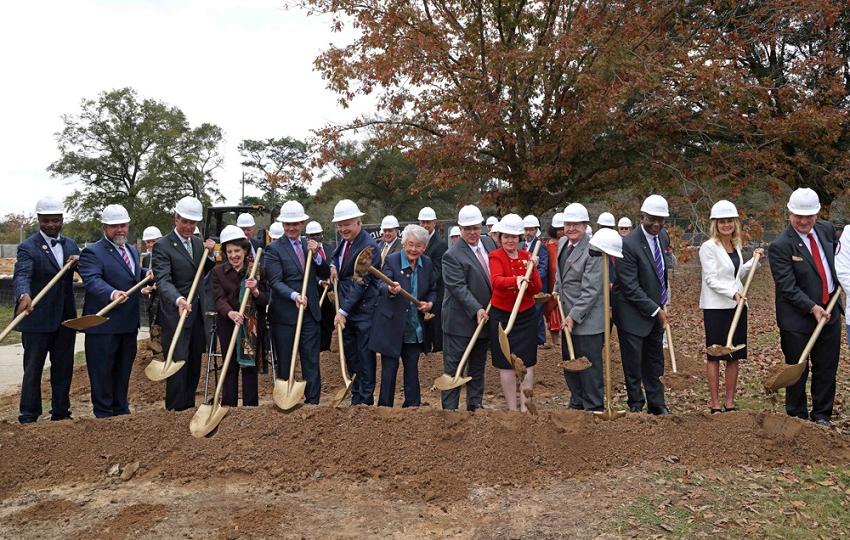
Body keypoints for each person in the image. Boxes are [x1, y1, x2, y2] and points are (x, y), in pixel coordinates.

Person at [770, 188, 840, 426]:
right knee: (798, 370)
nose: (803, 221)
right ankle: (797, 418)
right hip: (797, 318)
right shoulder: (780, 245)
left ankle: (822, 416)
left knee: (826, 368)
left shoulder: (827, 231)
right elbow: (787, 287)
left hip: (829, 311)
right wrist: (812, 307)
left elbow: (840, 261)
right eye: (798, 215)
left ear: (817, 214)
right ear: (789, 213)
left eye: (808, 216)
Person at [13, 196, 80, 423]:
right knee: (33, 370)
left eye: (55, 220)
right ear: (38, 220)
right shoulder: (28, 247)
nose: (51, 225)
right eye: (46, 221)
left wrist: (77, 262)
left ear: (62, 220)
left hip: (65, 319)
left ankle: (61, 412)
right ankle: (29, 414)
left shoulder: (71, 245)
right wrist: (24, 294)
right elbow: (22, 274)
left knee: (63, 368)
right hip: (37, 319)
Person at [78, 204, 146, 418]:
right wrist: (112, 293)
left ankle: (121, 409)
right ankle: (104, 413)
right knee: (102, 373)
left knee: (123, 370)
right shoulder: (92, 252)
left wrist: (147, 275)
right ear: (104, 227)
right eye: (114, 226)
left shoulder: (132, 250)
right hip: (103, 326)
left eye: (123, 225)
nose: (120, 230)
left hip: (128, 324)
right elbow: (92, 280)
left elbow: (132, 274)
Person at [152, 196, 216, 411]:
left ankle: (188, 406)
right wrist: (178, 299)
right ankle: (175, 410)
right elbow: (163, 280)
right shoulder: (162, 245)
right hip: (176, 314)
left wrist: (211, 254)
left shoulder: (198, 243)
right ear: (176, 218)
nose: (189, 226)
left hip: (197, 313)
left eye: (193, 222)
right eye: (185, 221)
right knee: (178, 362)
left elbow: (204, 271)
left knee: (194, 362)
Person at [699, 200, 763, 413]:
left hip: (737, 306)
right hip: (716, 308)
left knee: (734, 356)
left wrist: (752, 262)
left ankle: (730, 402)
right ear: (715, 224)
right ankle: (715, 403)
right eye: (722, 221)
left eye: (730, 221)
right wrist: (732, 293)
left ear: (735, 223)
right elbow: (711, 280)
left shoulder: (736, 246)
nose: (726, 225)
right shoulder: (708, 247)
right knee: (716, 355)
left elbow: (735, 275)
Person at [265, 201, 329, 405]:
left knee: (311, 360)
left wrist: (317, 255)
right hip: (285, 315)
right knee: (286, 361)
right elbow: (275, 281)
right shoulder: (274, 249)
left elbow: (324, 273)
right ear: (283, 225)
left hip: (309, 314)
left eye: (296, 224)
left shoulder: (309, 246)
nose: (292, 228)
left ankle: (313, 403)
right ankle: (287, 402)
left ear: (302, 224)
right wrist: (294, 295)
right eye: (288, 224)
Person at [612, 194, 671, 415]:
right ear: (642, 216)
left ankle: (657, 403)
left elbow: (660, 272)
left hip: (655, 311)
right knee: (633, 363)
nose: (656, 224)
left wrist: (662, 303)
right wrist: (656, 309)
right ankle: (636, 403)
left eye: (661, 220)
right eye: (651, 219)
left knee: (655, 361)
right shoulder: (628, 244)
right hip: (632, 313)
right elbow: (629, 286)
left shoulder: (662, 237)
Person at [370, 225, 436, 407]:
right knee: (389, 370)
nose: (414, 249)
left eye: (419, 246)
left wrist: (429, 303)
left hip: (414, 328)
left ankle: (413, 406)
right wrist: (391, 289)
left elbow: (432, 289)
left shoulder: (427, 263)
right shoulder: (392, 260)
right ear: (404, 243)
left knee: (412, 369)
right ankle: (385, 407)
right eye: (410, 244)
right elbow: (381, 285)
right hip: (392, 325)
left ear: (424, 247)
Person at [440, 205, 496, 411]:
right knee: (454, 367)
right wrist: (476, 309)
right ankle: (450, 409)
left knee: (478, 365)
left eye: (476, 227)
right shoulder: (452, 255)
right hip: (460, 322)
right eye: (467, 229)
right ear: (460, 229)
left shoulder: (489, 243)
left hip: (485, 319)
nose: (473, 232)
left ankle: (475, 404)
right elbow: (458, 288)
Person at [489, 213, 543, 412]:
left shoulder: (527, 256)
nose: (510, 240)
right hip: (503, 316)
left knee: (527, 362)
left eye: (514, 237)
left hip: (525, 315)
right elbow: (496, 281)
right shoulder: (495, 256)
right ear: (500, 237)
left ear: (520, 238)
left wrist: (533, 269)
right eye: (506, 237)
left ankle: (526, 408)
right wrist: (516, 280)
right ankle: (512, 409)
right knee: (506, 364)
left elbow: (536, 288)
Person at [553, 203, 604, 411]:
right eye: (568, 224)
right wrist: (556, 288)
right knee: (569, 360)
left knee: (588, 365)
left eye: (576, 224)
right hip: (566, 315)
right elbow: (561, 274)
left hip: (587, 319)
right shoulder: (563, 243)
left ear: (585, 226)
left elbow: (591, 290)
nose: (571, 228)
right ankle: (577, 401)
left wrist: (573, 316)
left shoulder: (593, 250)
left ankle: (593, 406)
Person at [210, 225, 268, 406]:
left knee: (249, 366)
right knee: (229, 365)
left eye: (237, 251)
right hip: (228, 324)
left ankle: (250, 406)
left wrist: (255, 290)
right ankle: (229, 405)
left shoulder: (256, 271)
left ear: (244, 250)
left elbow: (265, 300)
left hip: (250, 325)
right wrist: (230, 313)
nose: (234, 255)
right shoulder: (217, 272)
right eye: (229, 251)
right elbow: (218, 299)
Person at [332, 199, 381, 405]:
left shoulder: (368, 247)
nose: (343, 228)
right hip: (347, 310)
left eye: (347, 224)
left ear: (358, 222)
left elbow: (360, 282)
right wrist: (332, 266)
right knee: (352, 356)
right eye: (340, 225)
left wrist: (343, 310)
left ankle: (365, 401)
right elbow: (338, 260)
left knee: (364, 357)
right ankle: (356, 396)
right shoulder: (345, 242)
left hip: (362, 311)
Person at [419, 206, 447, 353]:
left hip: (436, 294)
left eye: (428, 222)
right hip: (422, 294)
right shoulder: (418, 242)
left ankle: (437, 353)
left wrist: (419, 279)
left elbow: (438, 271)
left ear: (434, 223)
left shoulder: (440, 244)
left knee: (436, 329)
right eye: (422, 222)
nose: (425, 225)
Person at [305, 220, 335, 352]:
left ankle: (327, 349)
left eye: (317, 234)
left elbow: (333, 265)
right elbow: (307, 271)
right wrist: (319, 281)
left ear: (322, 234)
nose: (315, 238)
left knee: (329, 321)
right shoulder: (306, 251)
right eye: (312, 236)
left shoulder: (330, 248)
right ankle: (319, 349)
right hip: (315, 294)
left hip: (330, 293)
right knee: (318, 323)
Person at [522, 214, 548, 347]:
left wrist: (533, 279)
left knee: (537, 313)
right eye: (526, 229)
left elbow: (543, 267)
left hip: (537, 287)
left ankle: (540, 340)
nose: (528, 232)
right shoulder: (521, 245)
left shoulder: (541, 246)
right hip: (523, 286)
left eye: (531, 229)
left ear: (536, 230)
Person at [545, 213, 565, 348]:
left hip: (565, 280)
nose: (561, 232)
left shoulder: (569, 245)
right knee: (552, 308)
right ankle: (555, 340)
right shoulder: (548, 246)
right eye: (558, 229)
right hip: (552, 280)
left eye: (562, 228)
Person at [141, 226, 162, 351]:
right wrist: (145, 289)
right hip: (152, 301)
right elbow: (144, 280)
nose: (150, 244)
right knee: (153, 329)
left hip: (164, 300)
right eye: (148, 242)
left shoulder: (166, 255)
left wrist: (158, 285)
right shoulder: (147, 259)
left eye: (153, 241)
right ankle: (156, 355)